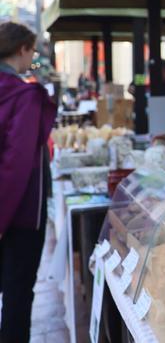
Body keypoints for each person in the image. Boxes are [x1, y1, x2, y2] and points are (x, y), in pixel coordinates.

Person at [0, 22, 57, 342]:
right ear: (22, 50)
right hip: (19, 214)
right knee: (17, 295)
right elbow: (17, 163)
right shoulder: (26, 95)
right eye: (32, 50)